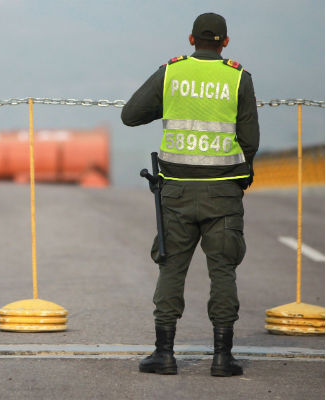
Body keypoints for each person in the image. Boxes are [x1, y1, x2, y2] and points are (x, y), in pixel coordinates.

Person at [121, 12, 260, 377]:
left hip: (177, 193)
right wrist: (238, 180)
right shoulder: (238, 78)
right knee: (224, 271)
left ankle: (164, 355)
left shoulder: (172, 72)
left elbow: (130, 115)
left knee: (171, 271)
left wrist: (169, 104)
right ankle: (222, 358)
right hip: (223, 194)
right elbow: (250, 141)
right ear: (225, 42)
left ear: (191, 39)